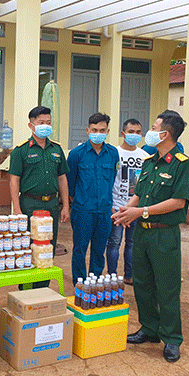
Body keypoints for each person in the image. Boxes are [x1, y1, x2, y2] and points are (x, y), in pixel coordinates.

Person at [112, 110, 189, 363]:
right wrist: (128, 209)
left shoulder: (183, 164)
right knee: (143, 284)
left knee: (167, 288)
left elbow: (179, 202)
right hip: (143, 234)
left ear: (165, 134)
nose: (149, 130)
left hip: (164, 235)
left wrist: (141, 211)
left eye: (153, 126)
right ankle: (149, 329)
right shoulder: (149, 162)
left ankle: (171, 338)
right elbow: (141, 193)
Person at [9, 106, 70, 289]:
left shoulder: (57, 149)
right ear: (31, 125)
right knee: (28, 247)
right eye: (41, 122)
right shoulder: (20, 151)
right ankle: (26, 290)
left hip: (51, 205)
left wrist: (65, 206)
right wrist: (17, 209)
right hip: (29, 203)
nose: (46, 126)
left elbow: (62, 179)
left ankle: (42, 288)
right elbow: (14, 181)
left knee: (47, 246)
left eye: (48, 122)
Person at [66, 112, 119, 283]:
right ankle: (79, 284)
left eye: (102, 130)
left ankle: (94, 282)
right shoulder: (76, 154)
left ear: (108, 131)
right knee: (80, 249)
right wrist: (77, 202)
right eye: (94, 129)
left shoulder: (112, 154)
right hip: (83, 210)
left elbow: (113, 179)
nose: (98, 133)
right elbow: (70, 184)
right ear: (88, 130)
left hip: (104, 211)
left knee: (99, 250)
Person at [105, 118, 149, 284]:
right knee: (114, 243)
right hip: (117, 206)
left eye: (138, 132)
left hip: (136, 209)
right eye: (131, 132)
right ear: (123, 133)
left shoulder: (145, 156)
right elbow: (109, 180)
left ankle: (130, 275)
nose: (134, 135)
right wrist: (111, 206)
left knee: (132, 243)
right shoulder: (114, 153)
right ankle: (112, 276)